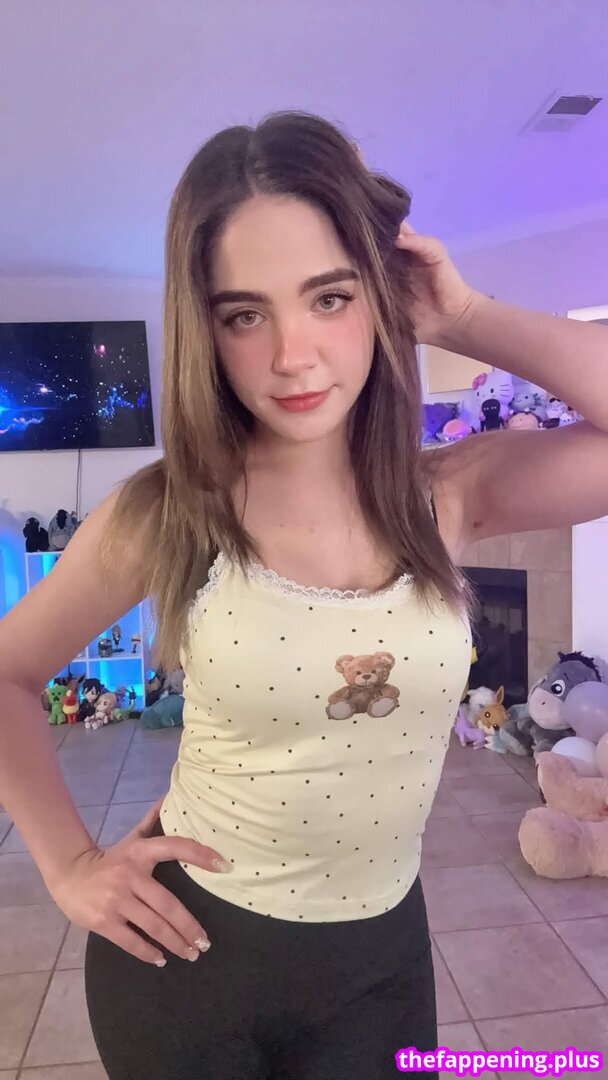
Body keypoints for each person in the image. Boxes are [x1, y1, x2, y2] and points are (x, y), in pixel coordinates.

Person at [1, 111, 608, 1080]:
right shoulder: (170, 512)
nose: (292, 354)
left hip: (380, 961)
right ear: (205, 329)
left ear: (379, 295)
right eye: (244, 314)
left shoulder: (449, 495)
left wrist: (461, 315)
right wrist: (69, 866)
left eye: (329, 297)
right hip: (185, 963)